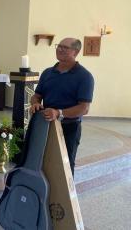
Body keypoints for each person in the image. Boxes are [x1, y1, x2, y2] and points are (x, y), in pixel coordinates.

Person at [30, 37, 94, 176]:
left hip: (69, 127)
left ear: (75, 52)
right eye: (59, 46)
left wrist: (59, 113)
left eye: (65, 47)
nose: (60, 49)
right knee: (42, 159)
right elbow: (37, 95)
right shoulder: (48, 72)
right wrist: (35, 103)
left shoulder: (85, 76)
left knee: (65, 163)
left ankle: (64, 197)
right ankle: (42, 190)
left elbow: (84, 108)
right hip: (45, 125)